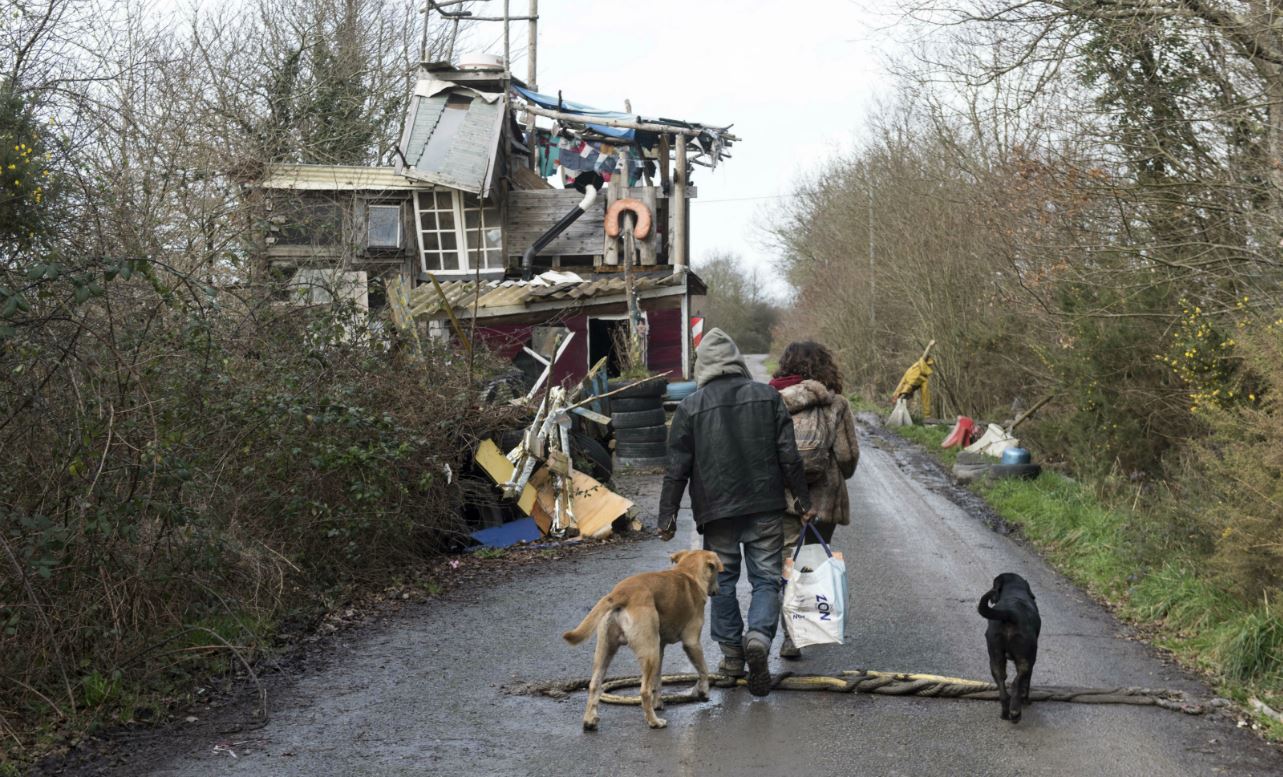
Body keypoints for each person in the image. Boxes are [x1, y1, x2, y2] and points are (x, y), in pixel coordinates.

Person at [658, 328, 814, 697]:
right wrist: (804, 501)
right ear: (737, 361)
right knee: (766, 578)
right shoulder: (767, 397)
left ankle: (731, 656)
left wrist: (667, 516)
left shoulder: (689, 407)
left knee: (721, 582)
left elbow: (676, 468)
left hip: (716, 512)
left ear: (703, 367)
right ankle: (758, 637)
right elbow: (788, 456)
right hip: (765, 507)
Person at [769, 340, 859, 659]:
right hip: (823, 499)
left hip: (784, 498)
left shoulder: (772, 400)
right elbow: (847, 455)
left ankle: (788, 636)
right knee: (810, 564)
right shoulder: (837, 403)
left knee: (786, 565)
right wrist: (839, 474)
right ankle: (805, 629)